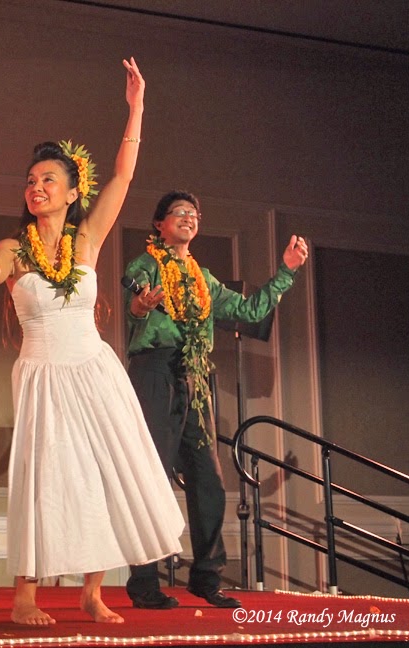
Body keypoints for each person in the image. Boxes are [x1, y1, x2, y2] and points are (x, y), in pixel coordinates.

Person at [0, 58, 183, 626]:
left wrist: (136, 108)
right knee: (46, 480)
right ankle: (25, 596)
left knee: (101, 474)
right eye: (31, 180)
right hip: (42, 373)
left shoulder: (86, 239)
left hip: (94, 369)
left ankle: (92, 591)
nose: (36, 188)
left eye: (47, 180)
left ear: (71, 192)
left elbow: (124, 177)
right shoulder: (14, 249)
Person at [122, 190, 309, 609]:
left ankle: (206, 578)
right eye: (179, 212)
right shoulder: (145, 264)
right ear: (159, 224)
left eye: (194, 213)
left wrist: (287, 270)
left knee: (208, 479)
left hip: (196, 375)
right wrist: (140, 306)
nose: (188, 217)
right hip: (156, 371)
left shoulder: (203, 279)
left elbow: (251, 310)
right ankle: (145, 581)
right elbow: (134, 306)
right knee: (153, 474)